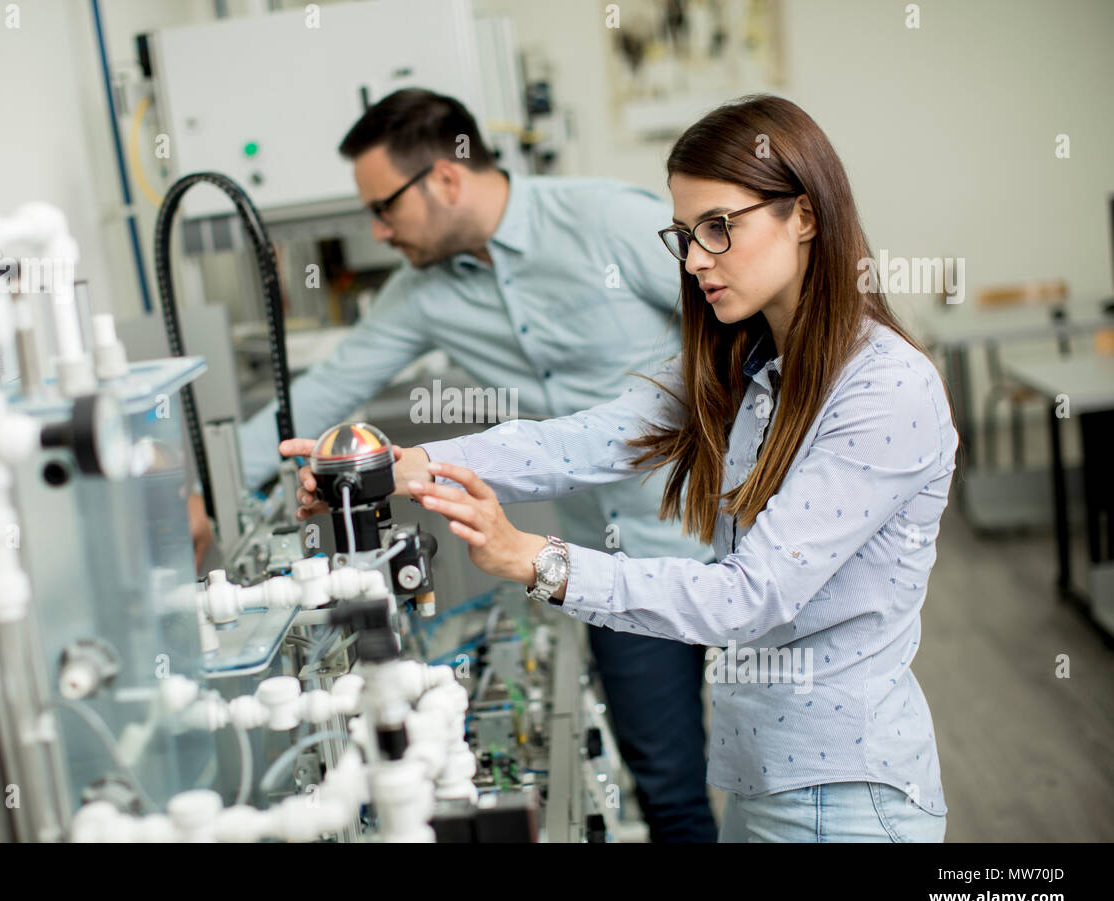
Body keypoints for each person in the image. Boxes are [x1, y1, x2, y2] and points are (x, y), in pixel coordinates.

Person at [287, 94, 956, 842]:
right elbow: (587, 439)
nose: (697, 258)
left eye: (718, 228)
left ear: (803, 215)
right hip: (765, 780)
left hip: (843, 796)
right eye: (686, 235)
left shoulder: (885, 388)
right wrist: (412, 466)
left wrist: (534, 559)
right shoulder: (748, 363)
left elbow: (750, 597)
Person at [238, 88, 716, 841]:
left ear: (447, 178)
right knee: (671, 797)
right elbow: (328, 388)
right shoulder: (422, 294)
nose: (378, 229)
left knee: (782, 775)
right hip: (617, 572)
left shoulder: (606, 223)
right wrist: (208, 486)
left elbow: (740, 335)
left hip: (741, 540)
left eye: (384, 207)